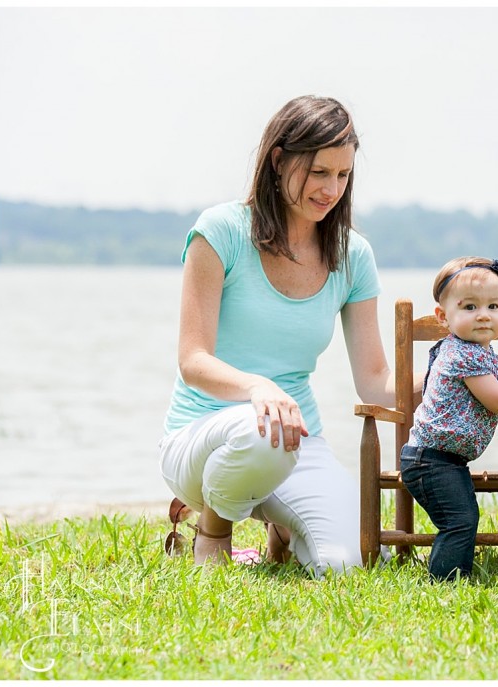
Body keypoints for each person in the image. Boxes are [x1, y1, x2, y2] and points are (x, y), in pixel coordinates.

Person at [159, 95, 396, 576]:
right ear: (279, 160)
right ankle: (213, 529)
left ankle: (280, 527)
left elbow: (375, 382)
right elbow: (193, 358)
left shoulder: (354, 256)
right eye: (319, 172)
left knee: (349, 565)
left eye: (343, 175)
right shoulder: (220, 231)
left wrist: (455, 377)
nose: (332, 189)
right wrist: (257, 388)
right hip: (203, 437)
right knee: (260, 435)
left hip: (295, 439)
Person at [400, 257, 498, 581]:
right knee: (459, 520)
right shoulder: (464, 353)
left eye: (493, 306)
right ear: (444, 317)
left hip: (437, 459)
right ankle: (445, 582)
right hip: (432, 460)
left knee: (461, 517)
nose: (483, 314)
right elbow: (497, 398)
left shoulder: (471, 351)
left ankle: (450, 575)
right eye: (469, 307)